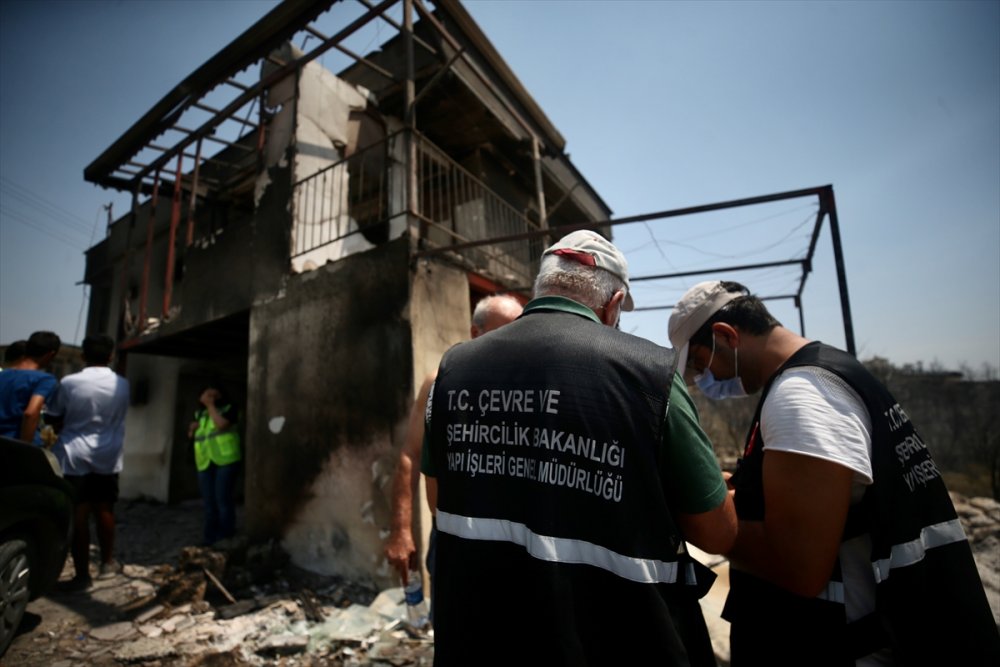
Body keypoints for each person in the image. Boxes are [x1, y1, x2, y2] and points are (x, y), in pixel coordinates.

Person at [423, 230, 736, 666]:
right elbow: (717, 532)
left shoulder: (453, 369)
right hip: (614, 641)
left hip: (480, 639)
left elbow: (440, 499)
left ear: (541, 288)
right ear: (613, 305)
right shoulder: (652, 375)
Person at [668, 280, 1000, 666]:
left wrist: (708, 523)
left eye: (699, 365)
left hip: (840, 647)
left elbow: (801, 566)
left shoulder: (801, 396)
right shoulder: (827, 372)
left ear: (726, 336)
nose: (702, 381)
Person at [384, 294, 524, 592]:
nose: (517, 341)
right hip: (451, 537)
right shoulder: (441, 382)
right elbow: (410, 453)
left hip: (514, 541)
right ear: (476, 333)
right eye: (507, 330)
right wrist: (401, 530)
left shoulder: (526, 386)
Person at [47, 334, 130, 589]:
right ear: (111, 356)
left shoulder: (70, 382)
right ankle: (107, 563)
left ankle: (82, 575)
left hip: (73, 453)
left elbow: (54, 418)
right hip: (108, 454)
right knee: (104, 509)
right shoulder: (122, 384)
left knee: (79, 514)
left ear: (83, 356)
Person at [188, 382, 241, 545]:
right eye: (207, 395)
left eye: (213, 395)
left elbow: (221, 424)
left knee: (222, 499)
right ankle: (209, 537)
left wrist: (210, 406)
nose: (209, 397)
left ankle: (225, 536)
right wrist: (192, 430)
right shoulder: (200, 414)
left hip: (226, 459)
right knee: (209, 502)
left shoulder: (229, 409)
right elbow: (193, 436)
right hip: (205, 461)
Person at [0, 331, 61, 444]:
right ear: (51, 355)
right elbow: (31, 413)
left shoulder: (2, 375)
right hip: (14, 445)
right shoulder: (44, 379)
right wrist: (25, 449)